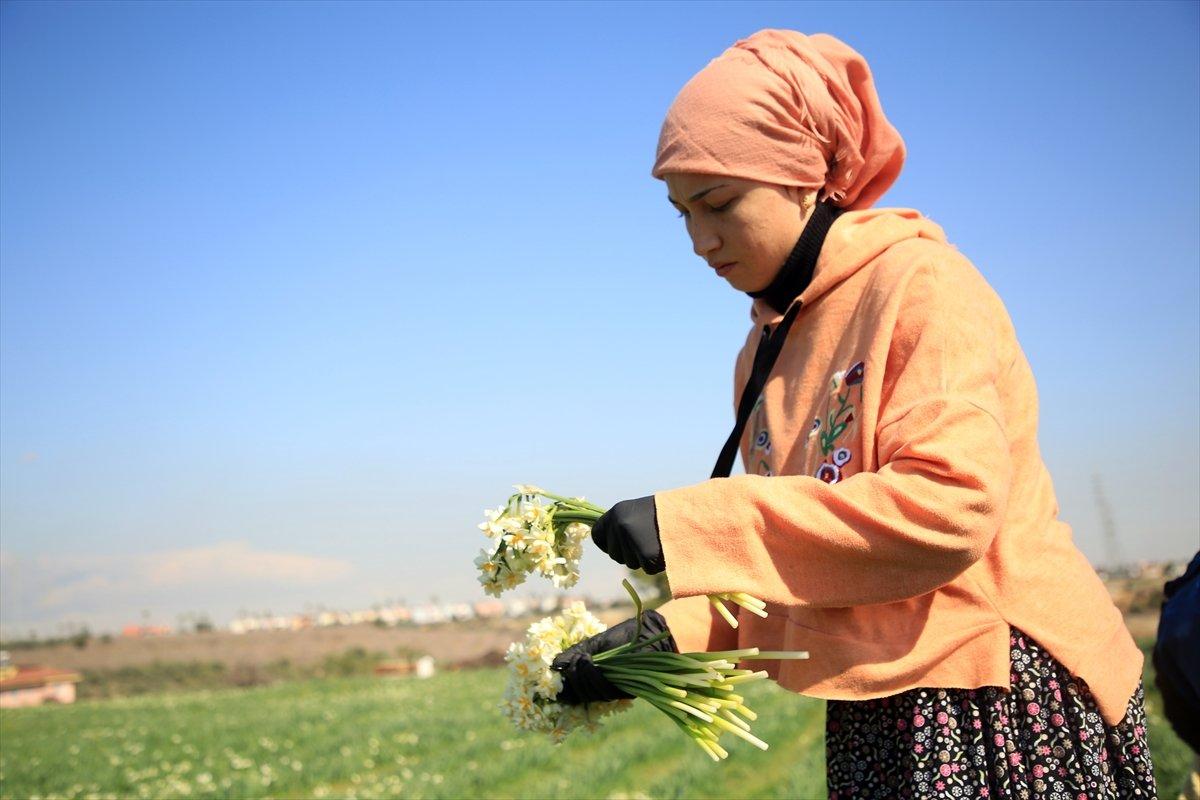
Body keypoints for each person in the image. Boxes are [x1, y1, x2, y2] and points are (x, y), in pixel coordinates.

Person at [551, 29, 1156, 799]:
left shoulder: (920, 285)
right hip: (877, 708)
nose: (701, 241)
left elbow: (950, 509)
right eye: (680, 214)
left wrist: (699, 522)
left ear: (805, 177)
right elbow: (811, 559)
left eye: (719, 203)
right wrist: (665, 638)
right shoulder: (762, 352)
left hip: (994, 689)